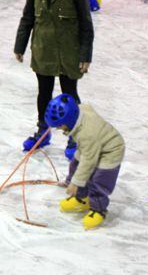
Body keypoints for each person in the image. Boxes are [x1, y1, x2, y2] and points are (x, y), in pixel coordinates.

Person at [13, 0, 94, 158]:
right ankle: (43, 131)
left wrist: (86, 53)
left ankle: (75, 136)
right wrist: (20, 44)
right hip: (43, 48)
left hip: (70, 49)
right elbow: (28, 15)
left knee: (69, 95)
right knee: (44, 93)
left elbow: (86, 21)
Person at [46, 94, 124, 230]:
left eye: (60, 126)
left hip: (110, 151)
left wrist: (75, 183)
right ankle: (81, 199)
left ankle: (98, 210)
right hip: (93, 145)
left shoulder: (87, 135)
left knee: (99, 181)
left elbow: (88, 161)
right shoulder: (79, 112)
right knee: (75, 164)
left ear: (69, 120)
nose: (59, 129)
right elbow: (86, 107)